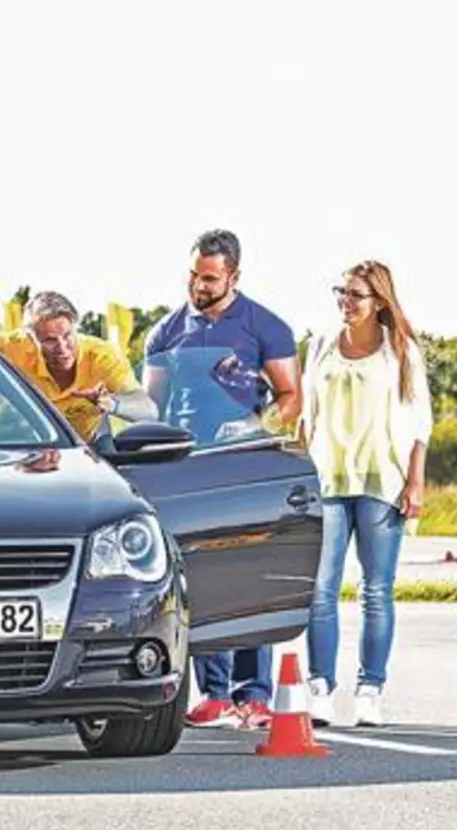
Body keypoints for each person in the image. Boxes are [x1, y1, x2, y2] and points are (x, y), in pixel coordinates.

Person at [143, 228, 301, 729]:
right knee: (202, 579)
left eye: (209, 278)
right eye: (193, 275)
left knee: (250, 576)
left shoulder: (266, 326)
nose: (199, 285)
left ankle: (252, 695)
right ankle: (211, 693)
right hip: (190, 467)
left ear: (233, 276)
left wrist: (256, 426)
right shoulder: (166, 332)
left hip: (246, 465)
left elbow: (290, 395)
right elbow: (153, 403)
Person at [299, 259, 433, 728]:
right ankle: (319, 688)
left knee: (377, 590)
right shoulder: (319, 346)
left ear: (379, 301)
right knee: (321, 590)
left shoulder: (402, 352)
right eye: (341, 292)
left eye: (355, 294)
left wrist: (415, 483)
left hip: (382, 482)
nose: (345, 302)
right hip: (328, 481)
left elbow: (421, 425)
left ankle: (370, 690)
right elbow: (305, 417)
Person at [0, 290, 157, 442]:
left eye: (67, 336)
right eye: (50, 341)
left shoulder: (102, 356)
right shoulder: (13, 347)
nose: (62, 348)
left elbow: (149, 410)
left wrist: (111, 404)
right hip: (33, 445)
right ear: (31, 338)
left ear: (75, 328)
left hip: (88, 446)